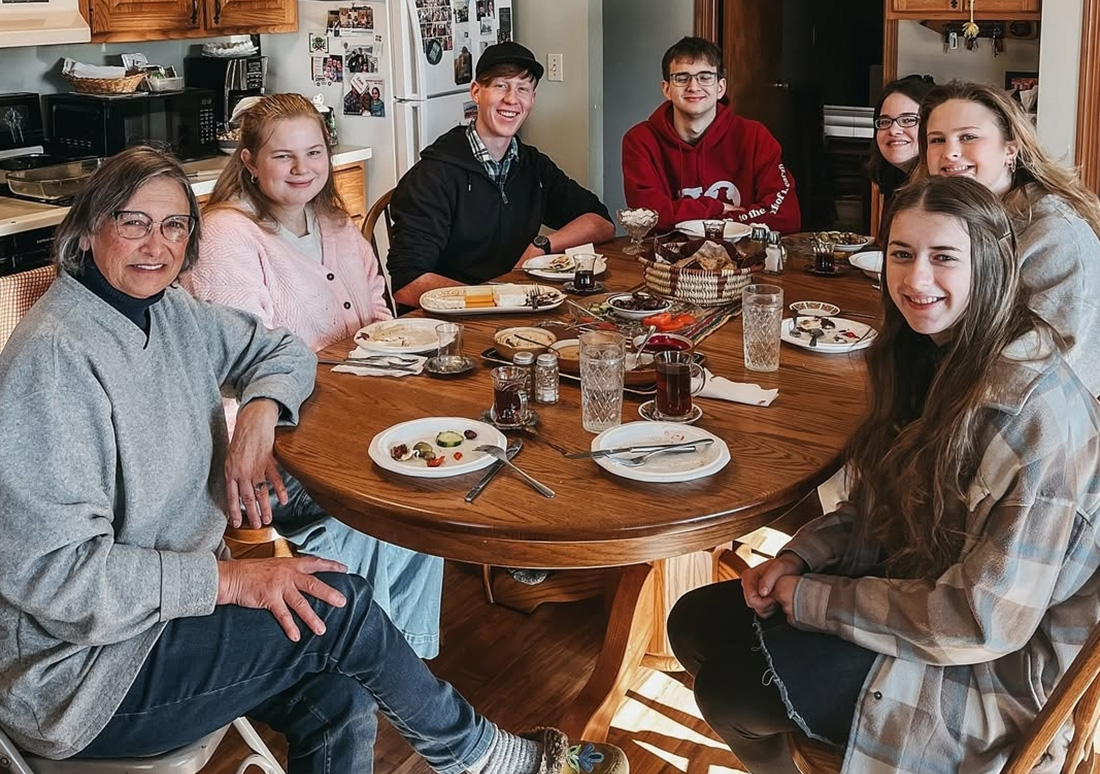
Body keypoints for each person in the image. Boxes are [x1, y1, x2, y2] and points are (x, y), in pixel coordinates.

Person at [0, 146, 627, 774]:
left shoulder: (171, 312)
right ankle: (483, 757)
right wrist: (233, 580)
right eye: (133, 222)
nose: (156, 244)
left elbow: (281, 352)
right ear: (87, 230)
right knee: (338, 605)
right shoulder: (55, 359)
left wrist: (259, 411)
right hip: (80, 677)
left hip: (167, 620)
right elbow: (60, 579)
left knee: (340, 684)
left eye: (174, 225)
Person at [667, 175, 1100, 774]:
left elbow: (984, 622)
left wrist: (815, 598)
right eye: (902, 254)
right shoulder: (928, 353)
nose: (916, 279)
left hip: (990, 669)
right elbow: (878, 502)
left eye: (944, 257)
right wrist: (801, 559)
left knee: (730, 688)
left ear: (993, 265)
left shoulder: (1033, 414)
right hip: (918, 580)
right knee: (690, 621)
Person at [185, 93, 444, 660]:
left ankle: (402, 653)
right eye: (283, 156)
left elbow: (377, 306)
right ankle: (366, 655)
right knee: (390, 499)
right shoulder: (229, 236)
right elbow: (243, 362)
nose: (303, 169)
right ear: (249, 161)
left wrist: (391, 348)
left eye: (314, 152)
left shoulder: (332, 219)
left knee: (430, 477)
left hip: (356, 410)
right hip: (273, 448)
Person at [387, 41, 615, 309]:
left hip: (516, 308)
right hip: (448, 323)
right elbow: (407, 284)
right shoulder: (432, 176)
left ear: (532, 99)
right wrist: (496, 300)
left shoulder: (532, 165)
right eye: (500, 86)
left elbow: (601, 222)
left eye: (523, 89)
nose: (511, 99)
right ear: (476, 91)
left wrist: (542, 245)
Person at [916, 80, 1100, 396]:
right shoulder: (955, 218)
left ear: (1010, 150)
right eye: (937, 140)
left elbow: (1053, 369)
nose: (950, 152)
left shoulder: (1054, 232)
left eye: (968, 137)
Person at [621, 36, 800, 233]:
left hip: (743, 257)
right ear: (667, 89)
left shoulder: (755, 137)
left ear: (720, 88)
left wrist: (704, 220)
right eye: (682, 78)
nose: (694, 87)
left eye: (705, 77)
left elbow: (785, 216)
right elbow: (646, 217)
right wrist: (717, 208)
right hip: (665, 258)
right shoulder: (639, 141)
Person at [865, 74, 935, 222]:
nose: (893, 130)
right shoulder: (896, 184)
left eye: (908, 120)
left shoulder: (936, 195)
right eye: (885, 121)